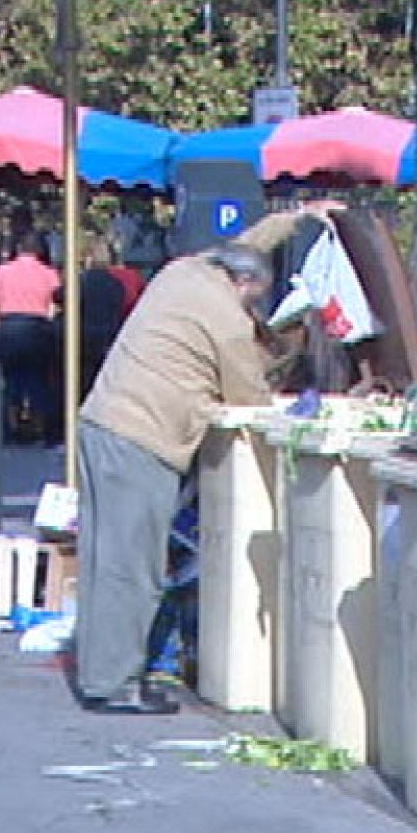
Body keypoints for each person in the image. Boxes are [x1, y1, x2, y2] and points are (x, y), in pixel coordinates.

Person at [75, 210, 323, 714]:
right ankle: (115, 683)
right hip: (144, 438)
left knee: (103, 556)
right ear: (245, 283)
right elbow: (248, 396)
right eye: (256, 297)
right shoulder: (229, 324)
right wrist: (285, 355)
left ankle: (100, 667)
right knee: (133, 565)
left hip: (102, 420)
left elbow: (241, 244)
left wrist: (297, 218)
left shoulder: (185, 271)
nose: (256, 307)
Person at [0, 227, 61, 445]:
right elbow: (54, 305)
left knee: (10, 381)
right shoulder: (49, 274)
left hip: (9, 326)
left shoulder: (2, 271)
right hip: (36, 328)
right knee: (37, 380)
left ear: (18, 248)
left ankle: (10, 427)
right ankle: (38, 428)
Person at [74, 242, 126, 401]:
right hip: (107, 336)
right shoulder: (116, 285)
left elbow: (61, 296)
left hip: (84, 334)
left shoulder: (82, 281)